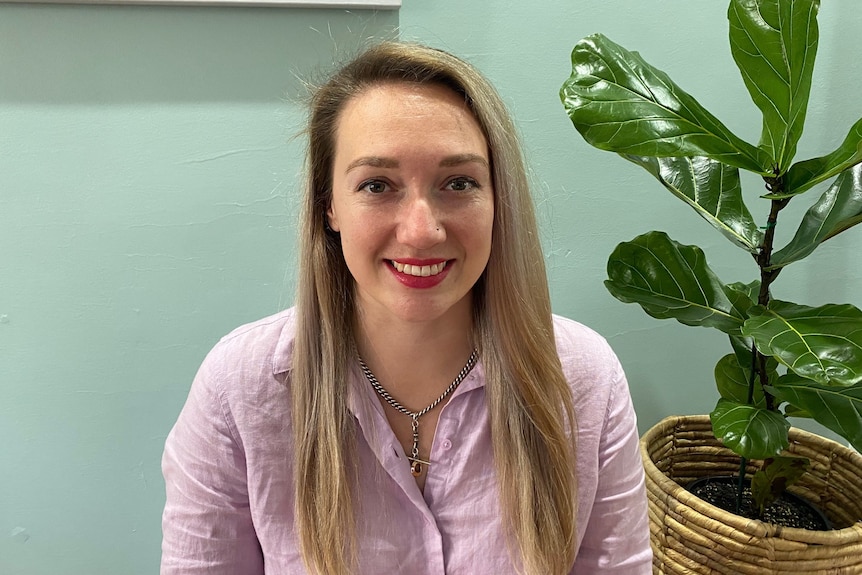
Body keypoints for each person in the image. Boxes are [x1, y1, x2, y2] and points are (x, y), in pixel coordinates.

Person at [160, 41, 651, 575]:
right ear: (329, 206)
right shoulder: (239, 389)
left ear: (497, 200)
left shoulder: (583, 379)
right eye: (377, 185)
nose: (421, 231)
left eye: (458, 183)